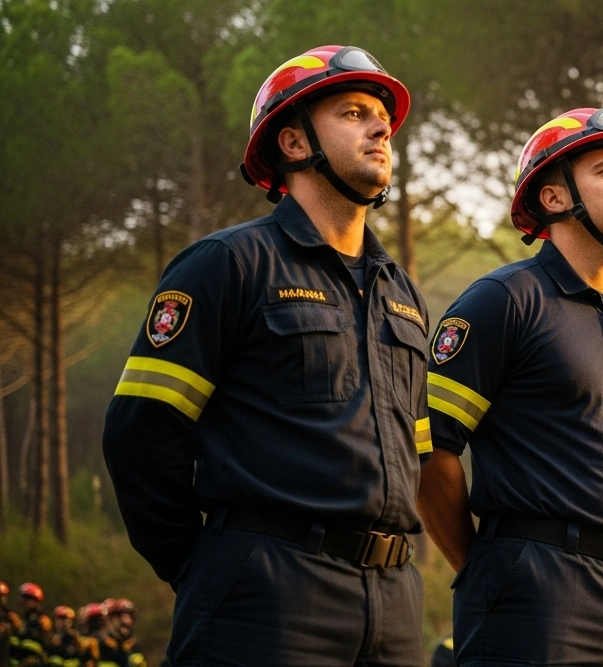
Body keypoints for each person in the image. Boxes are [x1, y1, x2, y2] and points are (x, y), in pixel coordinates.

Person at [103, 45, 429, 666]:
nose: (382, 127)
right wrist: (206, 567)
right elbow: (139, 433)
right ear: (293, 142)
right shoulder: (227, 264)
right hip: (266, 599)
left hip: (396, 606)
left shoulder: (402, 293)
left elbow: (414, 448)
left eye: (381, 116)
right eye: (355, 112)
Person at [418, 108, 603, 666]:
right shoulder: (503, 301)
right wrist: (483, 567)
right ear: (554, 198)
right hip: (535, 589)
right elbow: (431, 449)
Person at [15, 583, 52, 667]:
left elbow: (46, 642)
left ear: (35, 601)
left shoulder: (42, 619)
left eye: (26, 599)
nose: (23, 602)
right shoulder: (23, 619)